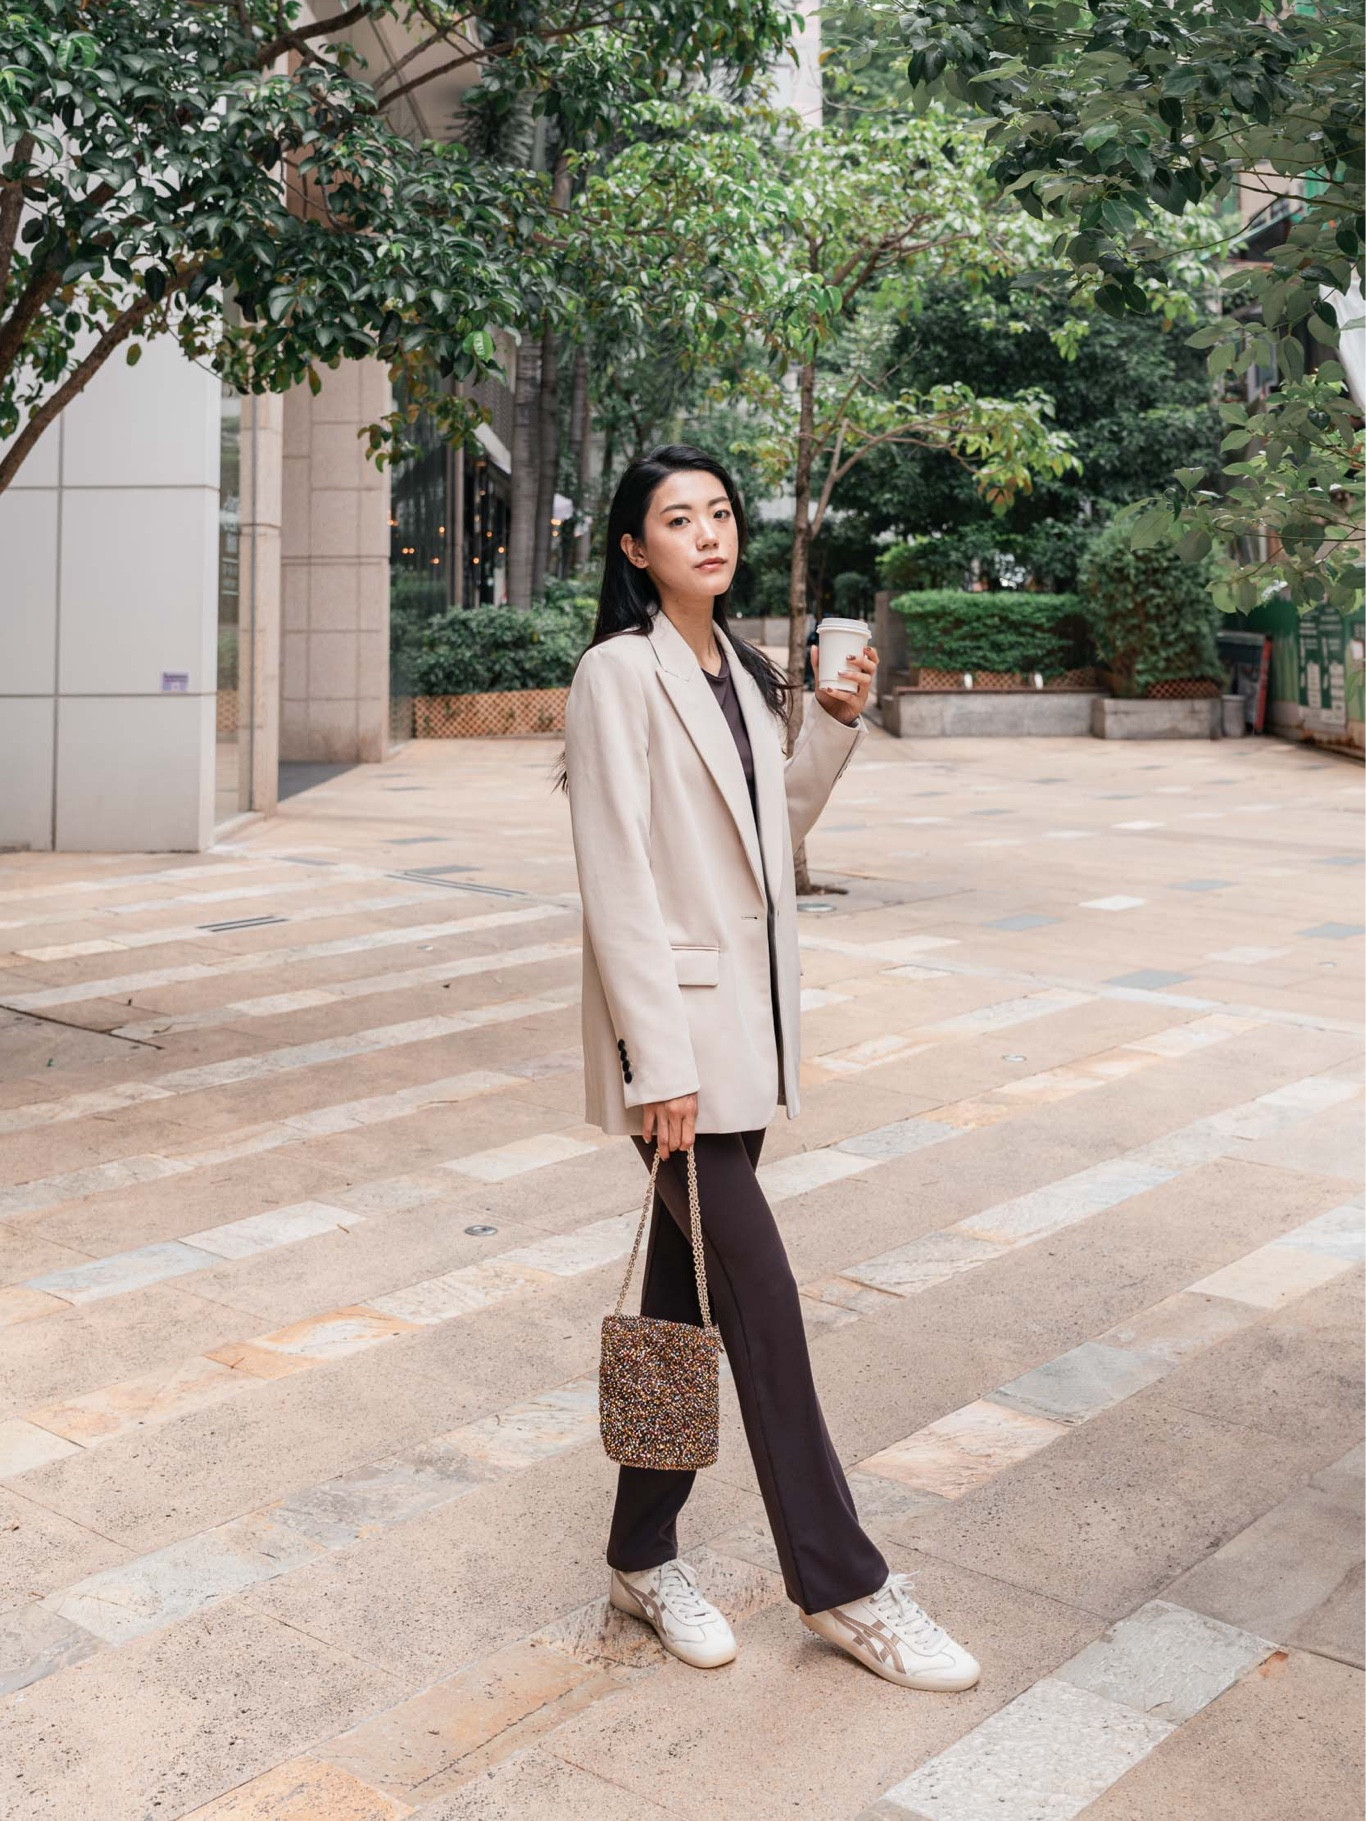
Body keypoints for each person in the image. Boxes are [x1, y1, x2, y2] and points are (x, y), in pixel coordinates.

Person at [559, 444, 980, 1694]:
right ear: (634, 551)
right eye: (676, 519)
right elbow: (617, 877)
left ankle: (642, 1552)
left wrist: (834, 727)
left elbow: (765, 837)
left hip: (743, 1038)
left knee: (692, 1301)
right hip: (677, 1054)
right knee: (768, 1308)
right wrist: (654, 1063)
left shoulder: (738, 673)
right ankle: (844, 1583)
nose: (707, 533)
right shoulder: (615, 675)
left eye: (720, 514)